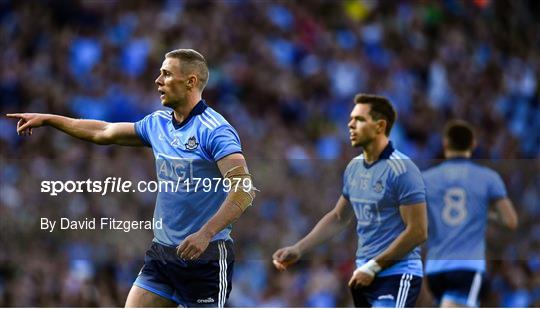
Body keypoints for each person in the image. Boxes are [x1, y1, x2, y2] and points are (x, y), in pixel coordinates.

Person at [6, 49, 256, 308]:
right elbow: (104, 131)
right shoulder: (158, 123)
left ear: (191, 82)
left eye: (167, 74)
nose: (158, 80)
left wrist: (205, 233)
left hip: (206, 258)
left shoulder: (214, 130)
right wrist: (50, 119)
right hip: (163, 255)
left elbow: (244, 190)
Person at [272, 94, 428, 307]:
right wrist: (299, 248)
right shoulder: (355, 168)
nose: (350, 124)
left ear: (380, 126)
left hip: (396, 274)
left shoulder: (403, 170)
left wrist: (374, 267)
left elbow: (418, 231)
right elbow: (338, 217)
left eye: (359, 119)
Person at [422, 120, 518, 307]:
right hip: (467, 266)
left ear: (446, 145)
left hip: (435, 267)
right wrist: (487, 215)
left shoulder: (427, 179)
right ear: (473, 145)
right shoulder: (488, 178)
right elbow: (510, 221)